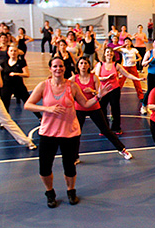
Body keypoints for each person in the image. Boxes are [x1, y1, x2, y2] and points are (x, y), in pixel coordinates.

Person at [25, 56, 101, 207]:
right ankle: (50, 192)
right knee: (45, 167)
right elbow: (28, 105)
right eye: (55, 66)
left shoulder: (72, 86)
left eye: (61, 66)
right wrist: (47, 109)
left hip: (70, 133)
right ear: (50, 69)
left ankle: (71, 191)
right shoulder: (43, 86)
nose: (58, 69)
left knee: (69, 166)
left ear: (65, 68)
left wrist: (99, 96)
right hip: (48, 133)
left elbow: (85, 104)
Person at [73, 57, 133, 161]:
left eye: (85, 63)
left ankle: (122, 150)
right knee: (76, 133)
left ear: (89, 65)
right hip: (79, 109)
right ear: (78, 66)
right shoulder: (74, 79)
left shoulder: (94, 77)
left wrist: (92, 91)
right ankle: (74, 157)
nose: (83, 65)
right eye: (81, 63)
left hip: (94, 107)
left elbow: (99, 93)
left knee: (106, 130)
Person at [95, 47, 143, 135]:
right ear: (104, 54)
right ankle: (104, 128)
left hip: (114, 90)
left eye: (111, 52)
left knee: (115, 109)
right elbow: (97, 77)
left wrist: (138, 79)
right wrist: (106, 78)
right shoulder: (100, 64)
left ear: (113, 54)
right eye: (107, 52)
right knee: (102, 109)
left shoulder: (116, 65)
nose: (109, 54)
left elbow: (127, 74)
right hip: (103, 90)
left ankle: (116, 127)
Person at [0, 44, 40, 120]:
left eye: (15, 51)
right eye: (11, 51)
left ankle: (40, 117)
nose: (13, 52)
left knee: (28, 101)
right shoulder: (4, 63)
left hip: (18, 85)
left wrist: (17, 74)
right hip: (7, 86)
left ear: (18, 52)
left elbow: (27, 74)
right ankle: (5, 120)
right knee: (5, 103)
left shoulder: (21, 62)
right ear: (8, 52)